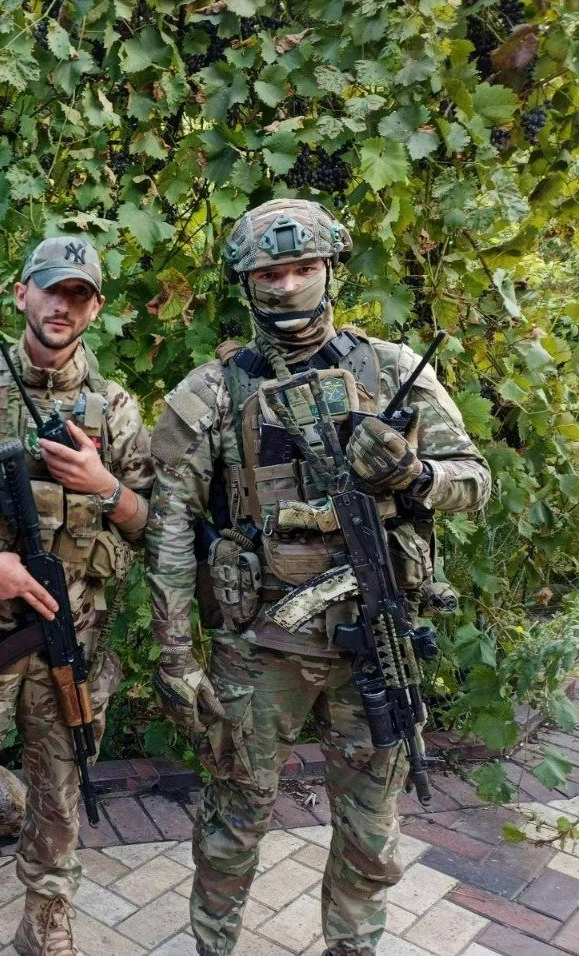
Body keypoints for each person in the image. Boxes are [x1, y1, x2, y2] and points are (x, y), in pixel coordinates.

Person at [144, 199, 491, 956]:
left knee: (372, 830)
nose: (290, 285)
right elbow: (168, 529)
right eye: (272, 271)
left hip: (374, 638)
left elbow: (475, 482)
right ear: (247, 281)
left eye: (304, 268)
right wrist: (176, 657)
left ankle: (353, 947)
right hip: (260, 645)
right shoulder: (211, 391)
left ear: (330, 269)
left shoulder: (392, 370)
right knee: (234, 822)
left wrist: (415, 473)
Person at [0, 237, 153, 956]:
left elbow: (156, 520)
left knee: (61, 788)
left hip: (70, 643)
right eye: (51, 290)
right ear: (22, 294)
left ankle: (47, 922)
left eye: (79, 294)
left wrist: (102, 487)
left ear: (96, 308)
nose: (62, 305)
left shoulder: (112, 408)